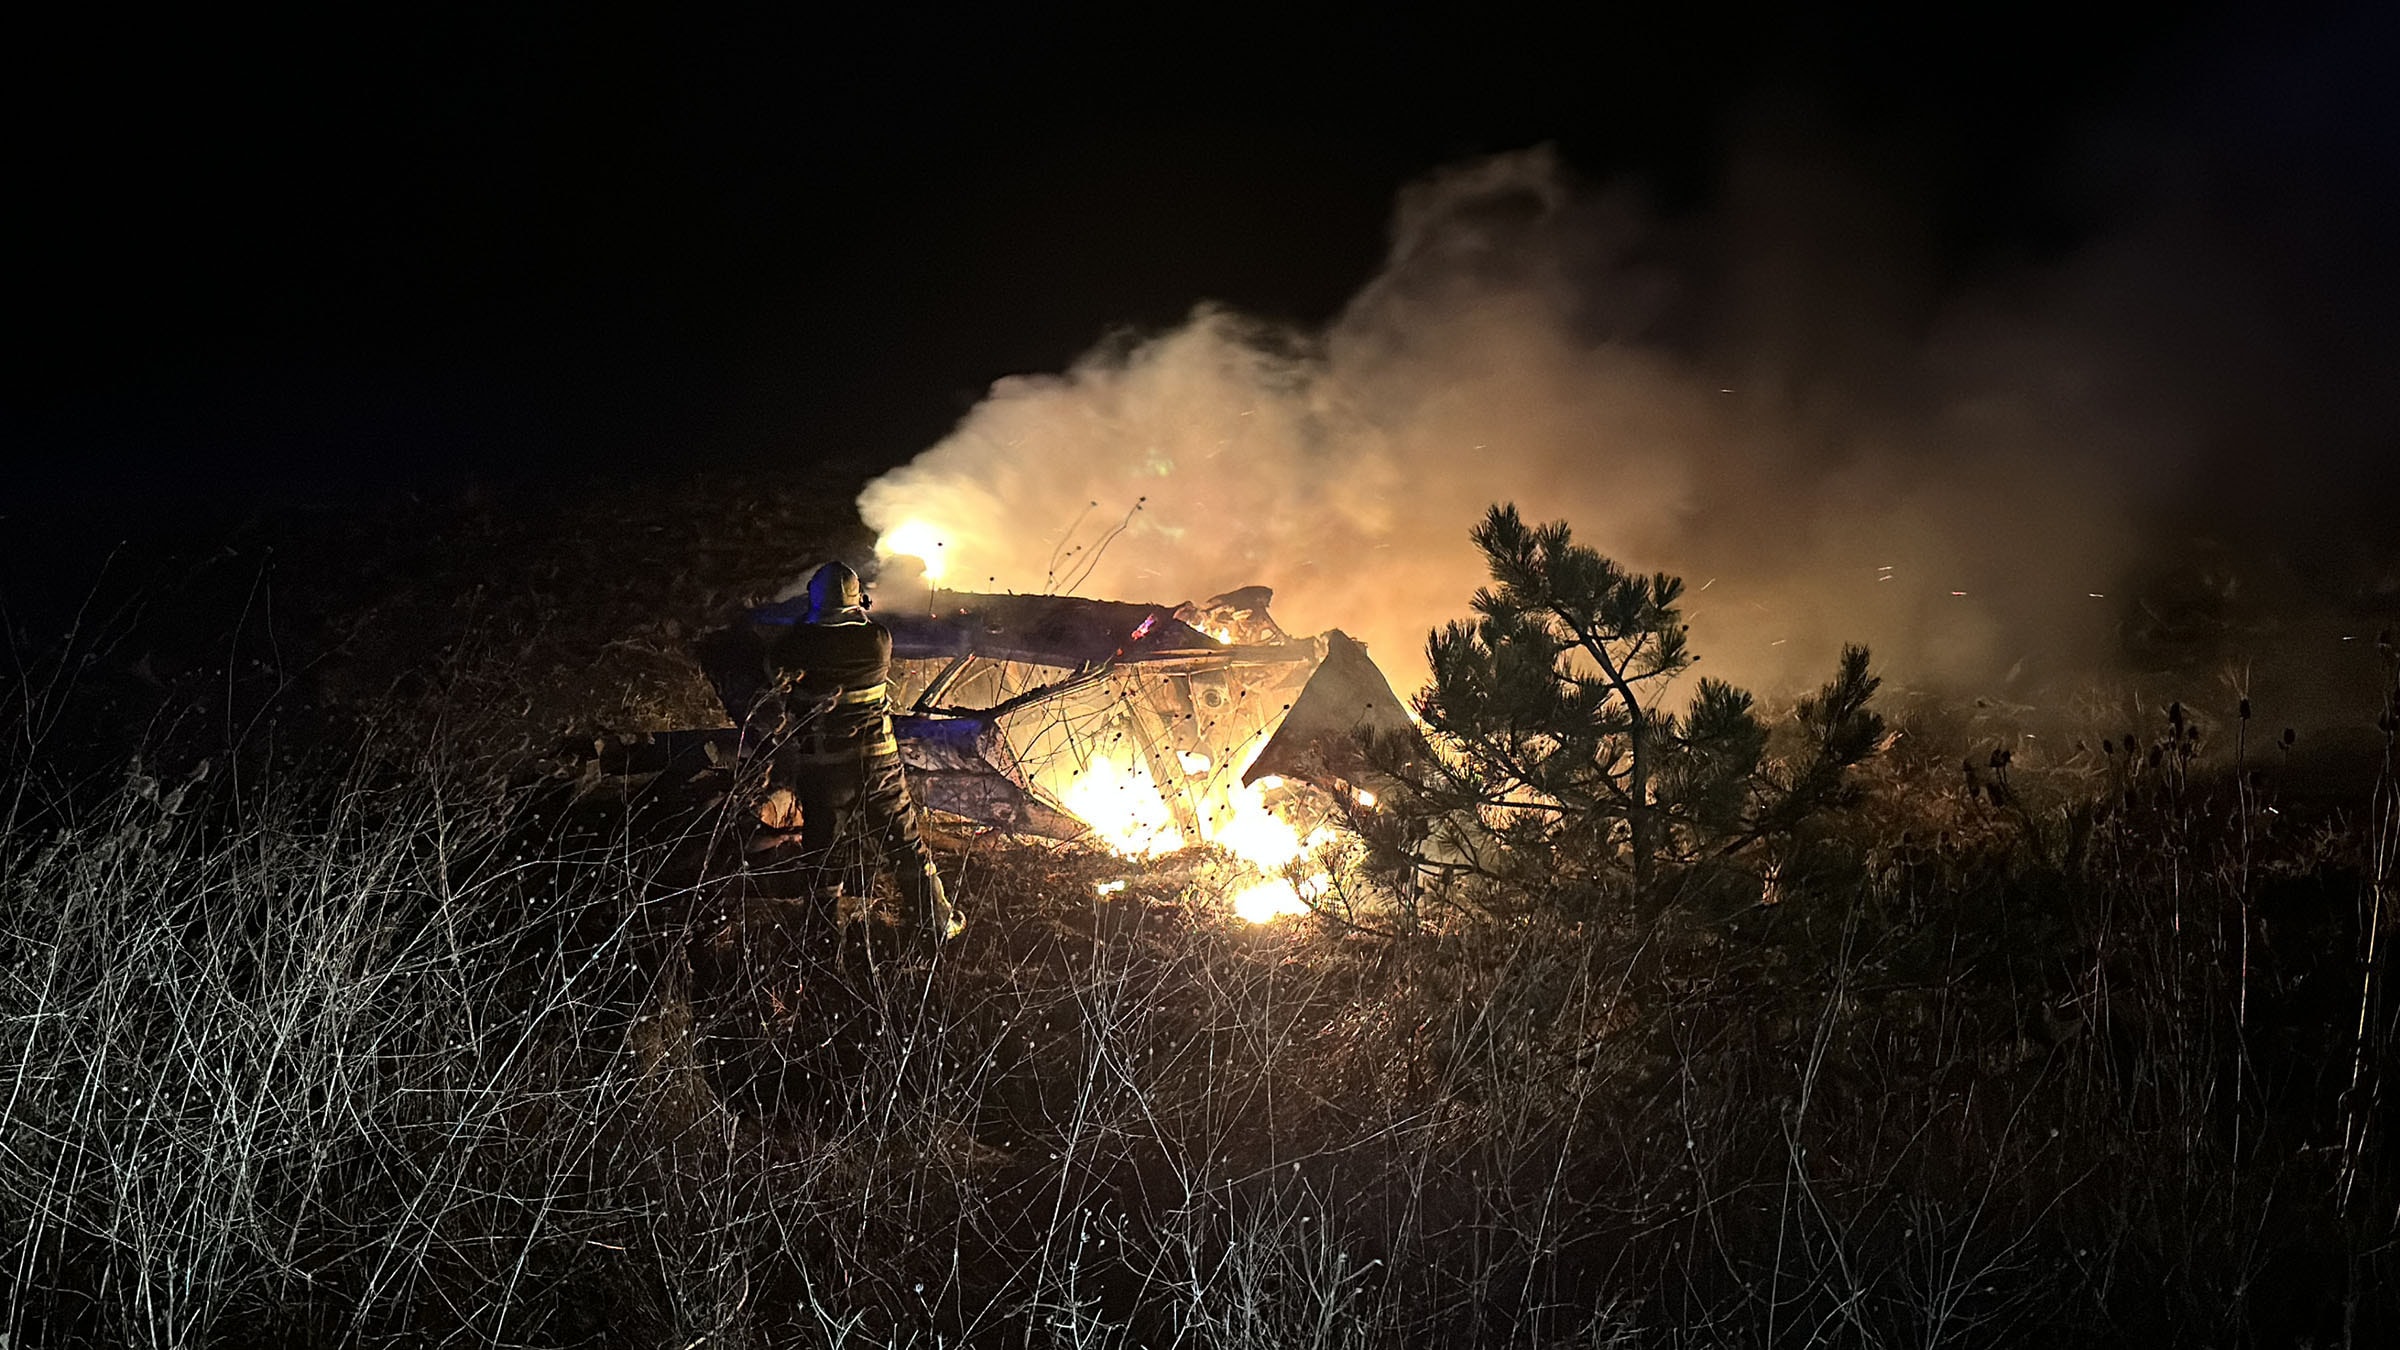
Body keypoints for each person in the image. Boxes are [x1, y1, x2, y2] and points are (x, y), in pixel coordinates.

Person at [759, 561, 961, 945]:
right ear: (856, 600)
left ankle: (822, 932)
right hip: (879, 763)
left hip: (826, 768)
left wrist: (805, 623)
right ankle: (936, 923)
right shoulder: (878, 639)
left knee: (823, 847)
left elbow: (774, 669)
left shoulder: (798, 642)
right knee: (904, 840)